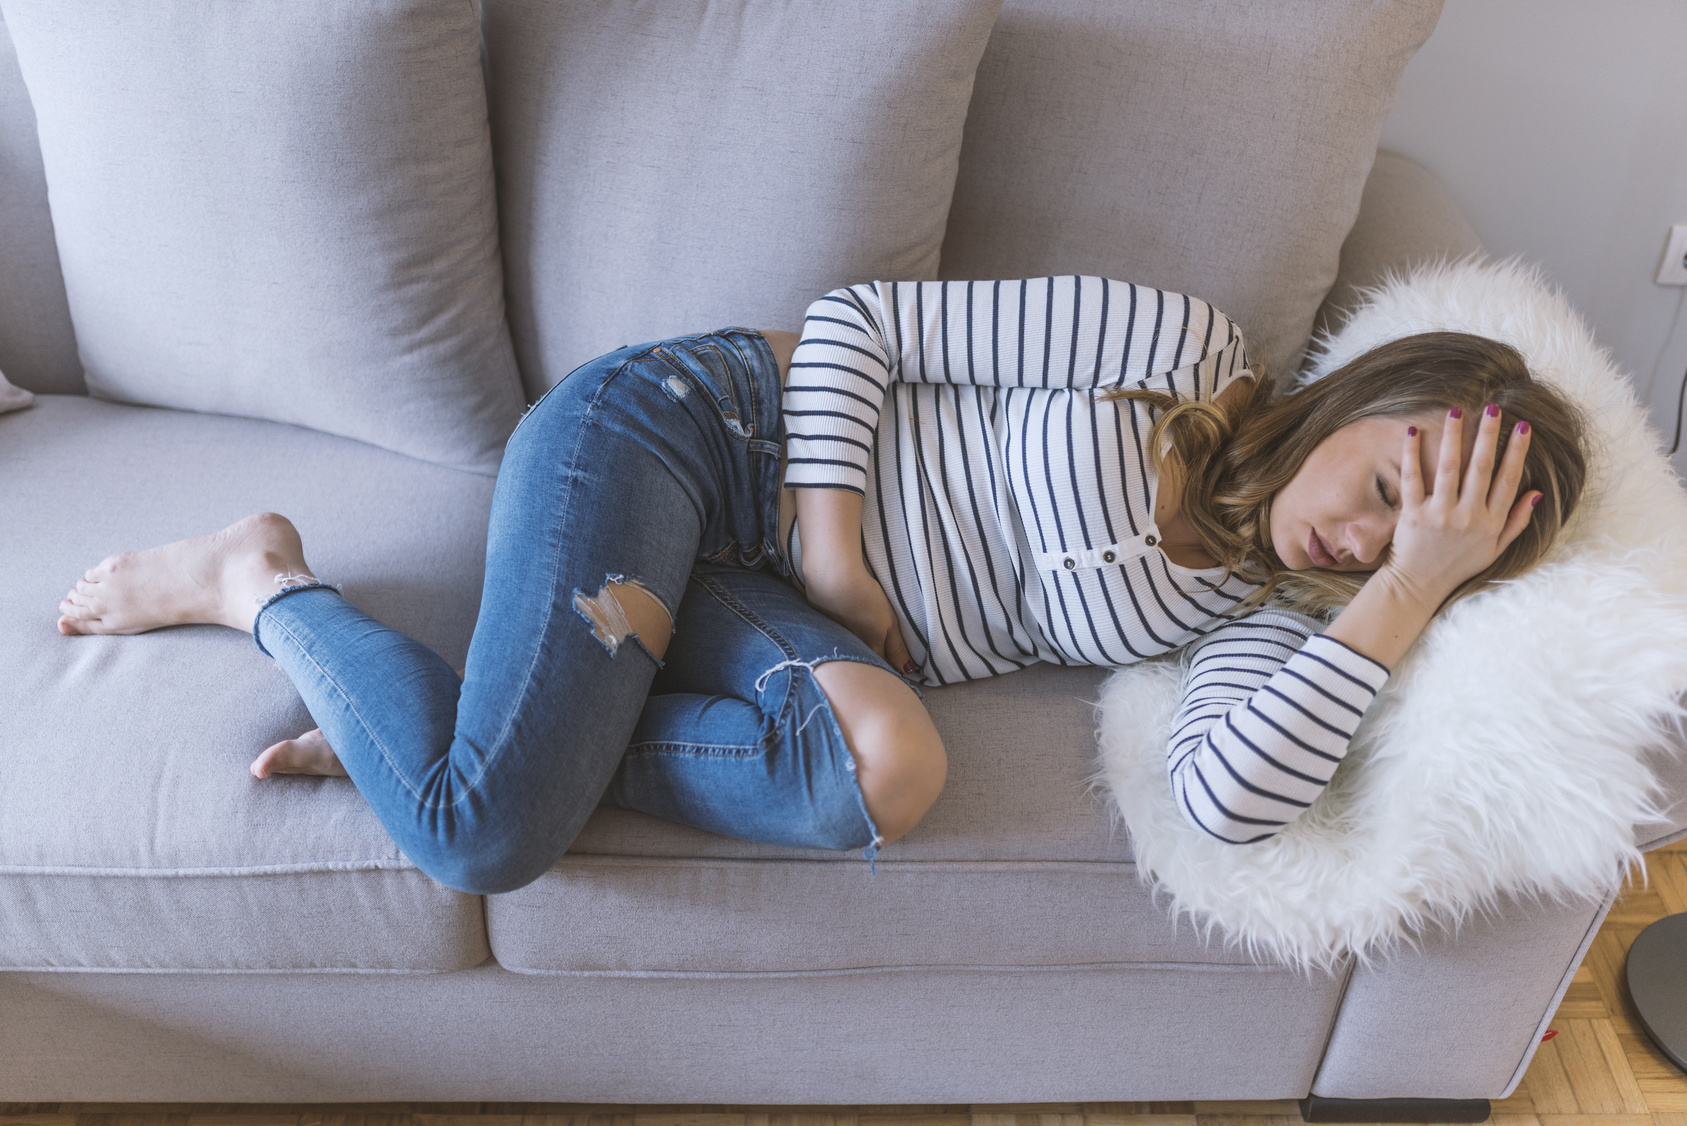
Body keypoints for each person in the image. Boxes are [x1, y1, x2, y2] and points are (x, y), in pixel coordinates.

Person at [55, 277, 1586, 892]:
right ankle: (263, 584)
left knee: (895, 763)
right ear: (1362, 398)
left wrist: (1397, 601)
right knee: (482, 834)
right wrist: (841, 550)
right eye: (1389, 488)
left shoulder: (1263, 628)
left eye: (1416, 554)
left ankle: (463, 721)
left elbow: (1227, 803)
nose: (1365, 543)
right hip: (691, 439)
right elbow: (857, 322)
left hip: (745, 599)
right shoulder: (1175, 352)